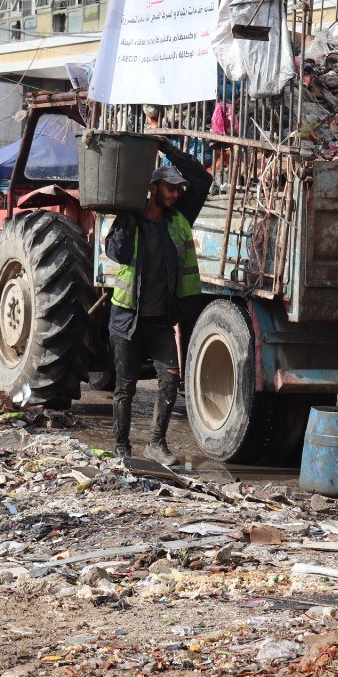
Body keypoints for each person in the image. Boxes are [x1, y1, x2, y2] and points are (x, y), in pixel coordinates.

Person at [104, 143, 213, 466]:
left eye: (179, 190)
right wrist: (126, 214)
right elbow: (117, 254)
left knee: (170, 379)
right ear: (152, 188)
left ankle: (156, 443)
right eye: (170, 188)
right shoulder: (132, 220)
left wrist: (166, 147)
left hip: (161, 320)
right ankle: (122, 447)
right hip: (127, 318)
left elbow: (201, 180)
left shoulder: (179, 220)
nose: (176, 194)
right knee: (125, 387)